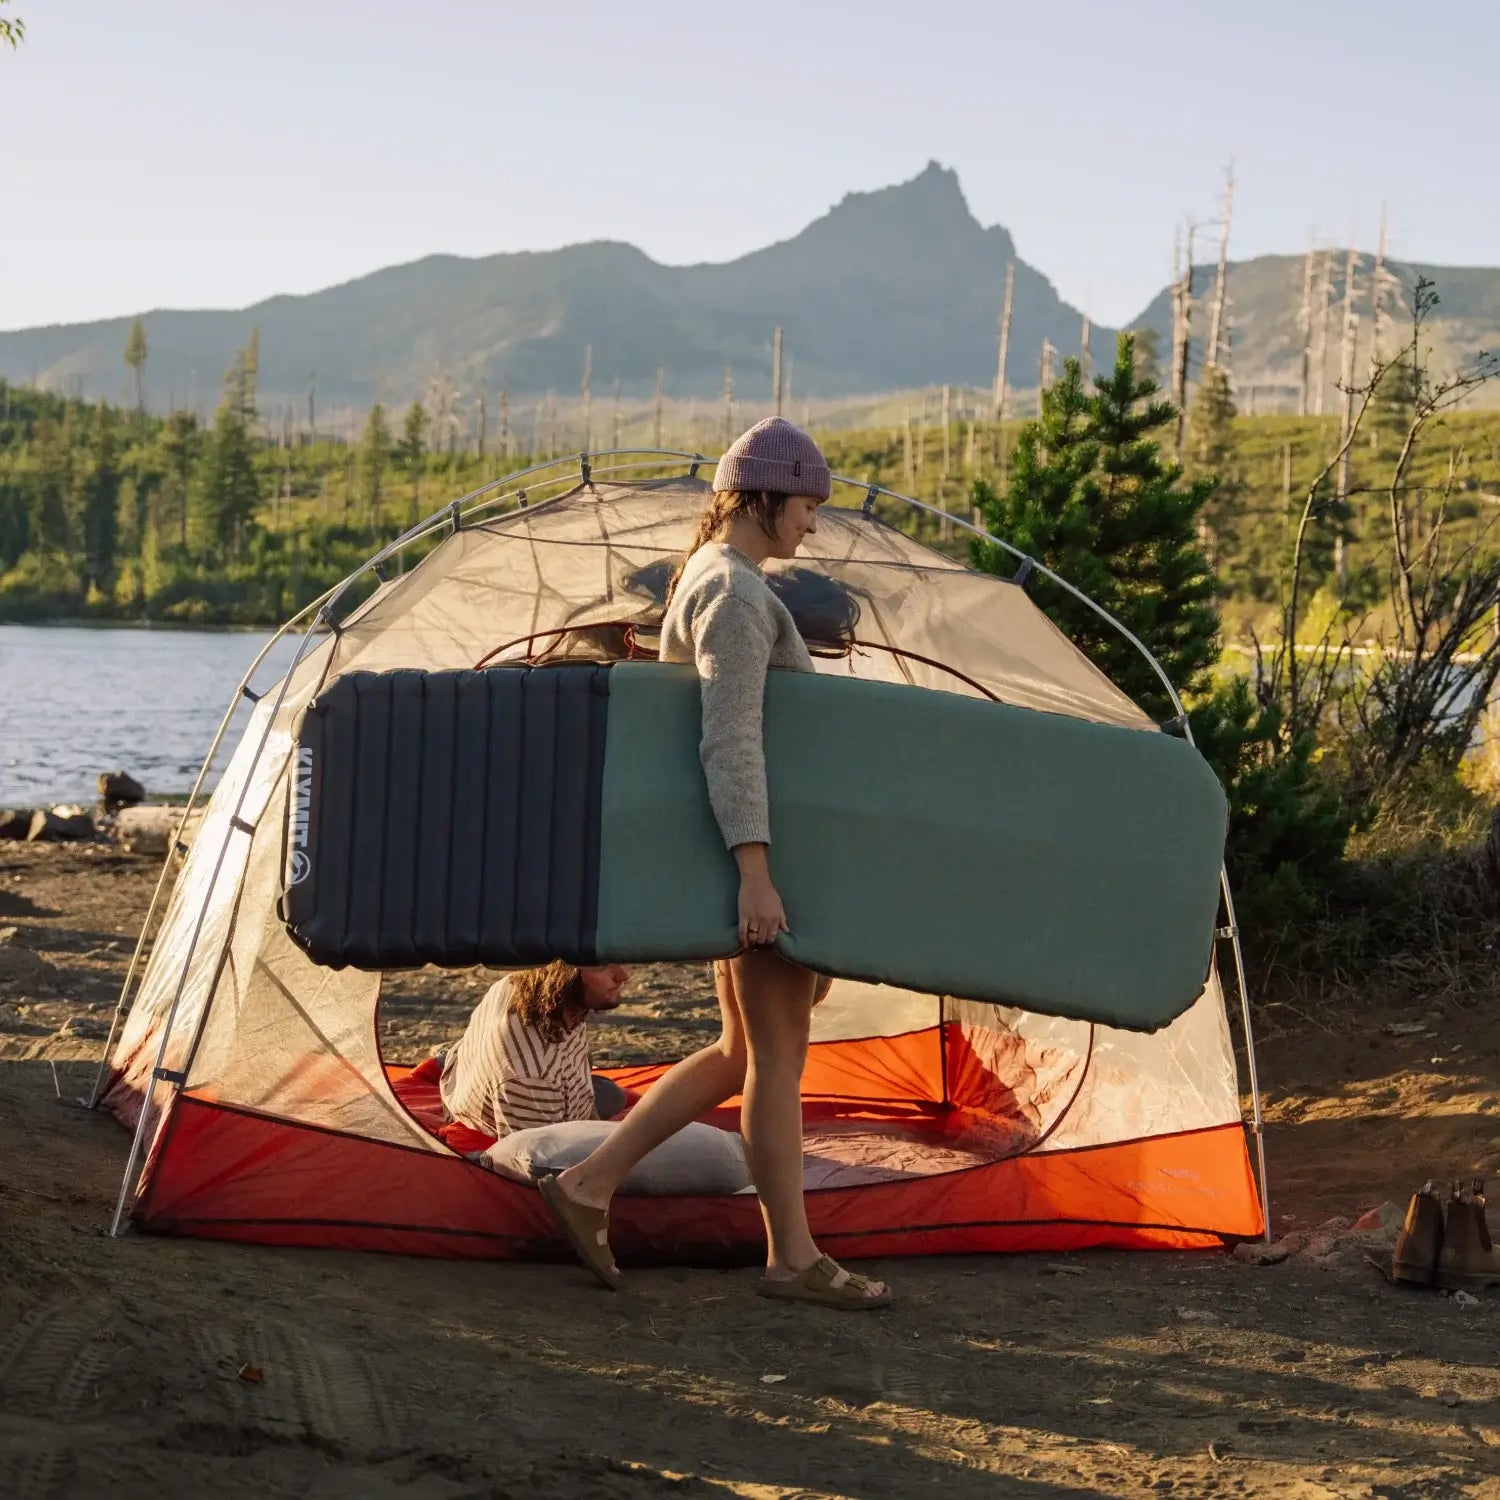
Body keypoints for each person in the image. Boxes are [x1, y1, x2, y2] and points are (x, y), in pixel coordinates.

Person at [536, 416, 891, 1310]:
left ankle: (586, 1185)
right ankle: (794, 1260)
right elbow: (729, 743)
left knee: (740, 1055)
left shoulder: (710, 577)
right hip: (749, 863)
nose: (813, 524)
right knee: (777, 1060)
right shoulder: (732, 595)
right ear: (767, 496)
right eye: (809, 504)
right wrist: (757, 874)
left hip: (735, 860)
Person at [437, 962, 632, 1140]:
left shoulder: (525, 985)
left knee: (609, 1092)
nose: (624, 975)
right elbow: (537, 1159)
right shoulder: (533, 1079)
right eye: (599, 965)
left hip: (464, 1081)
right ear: (563, 975)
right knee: (615, 1100)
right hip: (520, 1114)